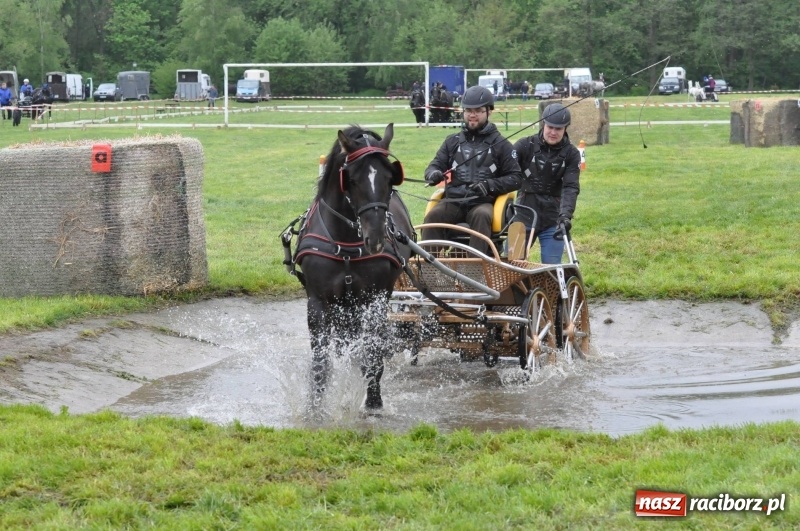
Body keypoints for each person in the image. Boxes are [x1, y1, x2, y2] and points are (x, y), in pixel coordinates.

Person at [422, 85, 521, 255]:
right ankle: (429, 269)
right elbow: (434, 165)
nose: (472, 115)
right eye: (468, 110)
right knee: (432, 217)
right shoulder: (451, 142)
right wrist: (433, 174)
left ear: (488, 112)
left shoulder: (502, 145)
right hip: (453, 202)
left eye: (478, 111)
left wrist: (489, 185)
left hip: (482, 203)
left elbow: (516, 178)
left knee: (482, 216)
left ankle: (474, 269)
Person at [512, 103, 581, 264]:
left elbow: (571, 187)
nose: (553, 132)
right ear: (543, 124)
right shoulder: (524, 145)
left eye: (558, 129)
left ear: (565, 129)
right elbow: (507, 171)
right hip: (523, 215)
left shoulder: (572, 154)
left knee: (551, 269)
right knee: (512, 267)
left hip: (553, 220)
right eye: (550, 127)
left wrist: (565, 215)